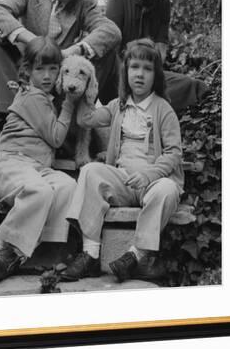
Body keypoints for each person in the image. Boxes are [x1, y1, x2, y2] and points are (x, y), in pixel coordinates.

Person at [61, 39, 184, 282]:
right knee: (90, 171)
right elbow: (87, 119)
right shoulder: (118, 106)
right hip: (123, 182)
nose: (139, 74)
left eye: (147, 69)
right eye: (134, 67)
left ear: (156, 76)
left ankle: (135, 255)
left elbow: (173, 153)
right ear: (125, 71)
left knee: (167, 190)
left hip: (152, 183)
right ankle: (90, 254)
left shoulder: (163, 109)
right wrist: (84, 87)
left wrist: (150, 175)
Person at [0, 37, 79, 285]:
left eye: (53, 69)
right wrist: (70, 106)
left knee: (68, 187)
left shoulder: (44, 99)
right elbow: (56, 137)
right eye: (40, 69)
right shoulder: (32, 96)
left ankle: (26, 255)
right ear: (27, 71)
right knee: (40, 191)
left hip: (36, 167)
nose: (47, 76)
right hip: (13, 164)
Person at [103, 0, 208, 111]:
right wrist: (140, 51)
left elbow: (159, 54)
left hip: (148, 76)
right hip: (118, 77)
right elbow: (108, 49)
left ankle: (147, 104)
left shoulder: (163, 4)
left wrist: (137, 50)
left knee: (194, 86)